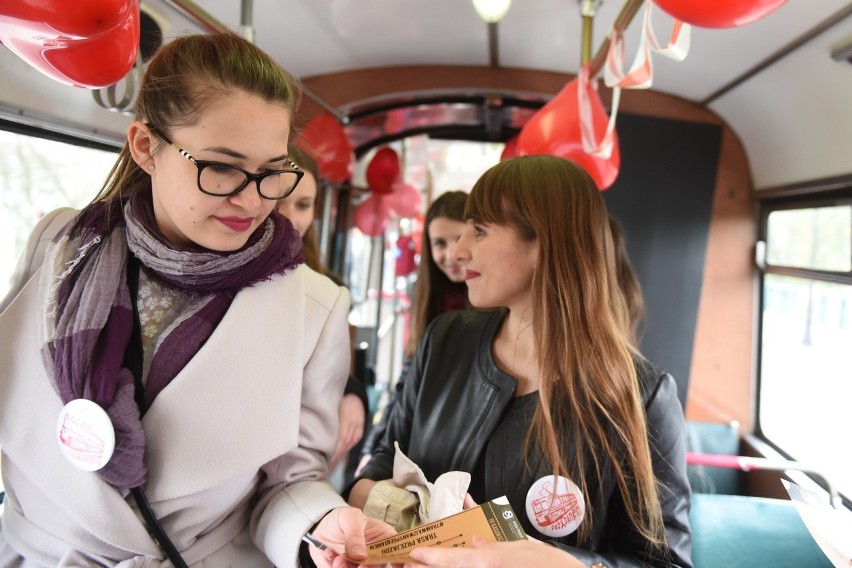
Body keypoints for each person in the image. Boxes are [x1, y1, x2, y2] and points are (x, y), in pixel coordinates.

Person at [0, 33, 394, 567]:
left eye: (271, 172)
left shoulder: (313, 309)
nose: (251, 200)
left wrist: (320, 526)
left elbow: (290, 480)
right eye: (223, 167)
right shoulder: (59, 246)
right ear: (146, 147)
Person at [349, 155, 692, 567]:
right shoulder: (444, 341)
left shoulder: (642, 397)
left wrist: (562, 564)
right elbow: (388, 455)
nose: (459, 251)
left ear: (545, 242)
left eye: (479, 231)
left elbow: (664, 561)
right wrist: (388, 505)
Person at [356, 190, 469, 472]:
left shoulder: (494, 302)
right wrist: (373, 448)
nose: (451, 254)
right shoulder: (425, 300)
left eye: (459, 239)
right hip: (423, 441)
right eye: (439, 243)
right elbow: (406, 385)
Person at [279, 145, 368, 472]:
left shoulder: (326, 289)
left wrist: (353, 394)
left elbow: (337, 367)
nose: (291, 218)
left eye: (303, 205)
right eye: (279, 201)